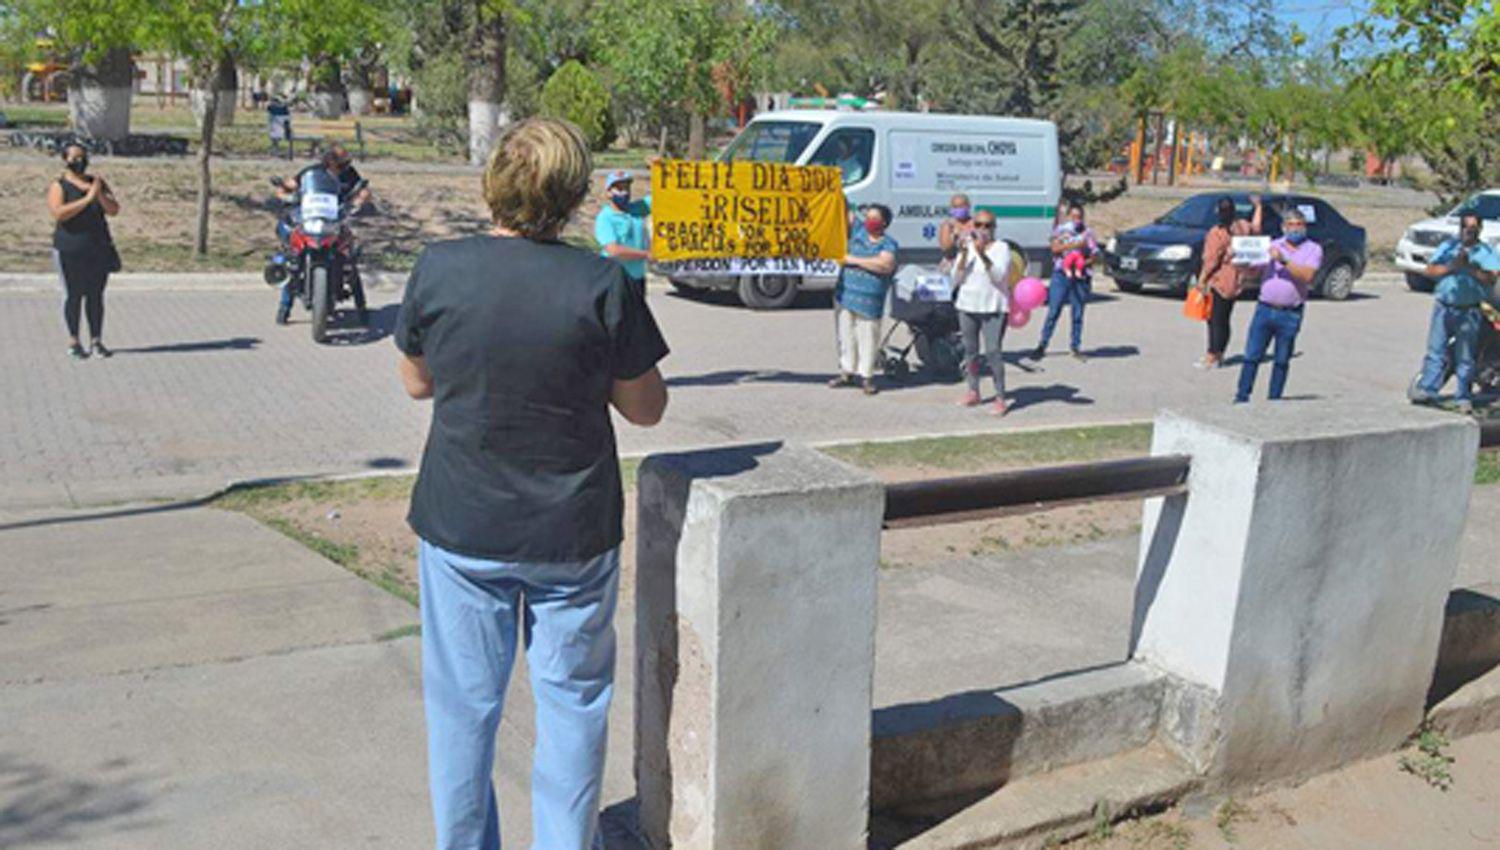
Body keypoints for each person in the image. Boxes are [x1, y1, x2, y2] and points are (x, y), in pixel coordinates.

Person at [393, 117, 669, 850]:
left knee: (461, 711)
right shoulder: (601, 282)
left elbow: (416, 383)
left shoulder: (440, 268)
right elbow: (647, 409)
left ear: (493, 186)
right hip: (571, 535)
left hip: (462, 526)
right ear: (575, 195)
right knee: (573, 706)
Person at [1408, 210, 1500, 414]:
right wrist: (1452, 266)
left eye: (1473, 228)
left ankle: (1462, 397)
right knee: (1436, 351)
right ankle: (1428, 390)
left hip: (1469, 311)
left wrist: (1471, 268)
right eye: (1465, 228)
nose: (1468, 232)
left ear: (1480, 229)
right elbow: (1430, 270)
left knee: (1465, 357)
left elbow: (1492, 278)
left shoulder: (1486, 252)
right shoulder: (1448, 247)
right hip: (1444, 306)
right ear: (1460, 229)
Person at [274, 144, 372, 325]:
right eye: (341, 162)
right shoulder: (311, 173)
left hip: (336, 220)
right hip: (311, 219)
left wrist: (359, 200)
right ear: (329, 161)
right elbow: (286, 187)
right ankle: (284, 307)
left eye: (345, 162)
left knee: (350, 259)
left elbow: (364, 191)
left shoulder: (350, 174)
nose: (344, 166)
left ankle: (362, 308)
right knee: (293, 259)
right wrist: (285, 195)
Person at [1233, 207, 1321, 403]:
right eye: (1291, 225)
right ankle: (1242, 397)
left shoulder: (1313, 249)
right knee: (1252, 356)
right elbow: (1254, 271)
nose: (1295, 229)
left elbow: (1307, 276)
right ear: (1283, 227)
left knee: (1281, 359)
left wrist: (1284, 260)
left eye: (1299, 225)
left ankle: (1274, 398)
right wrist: (1242, 261)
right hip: (1264, 309)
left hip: (1290, 313)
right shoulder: (1273, 245)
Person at [46, 142, 121, 360]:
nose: (80, 162)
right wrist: (86, 199)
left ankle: (96, 340)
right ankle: (74, 341)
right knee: (73, 295)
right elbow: (59, 213)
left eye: (83, 157)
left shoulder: (96, 183)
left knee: (95, 296)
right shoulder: (59, 186)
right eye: (75, 157)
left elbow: (114, 209)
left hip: (97, 249)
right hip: (70, 249)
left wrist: (98, 195)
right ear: (66, 160)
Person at [830, 203, 898, 395]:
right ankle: (847, 372)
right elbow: (844, 210)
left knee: (867, 336)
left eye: (874, 218)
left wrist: (853, 260)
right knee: (846, 335)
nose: (870, 221)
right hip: (845, 295)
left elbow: (885, 265)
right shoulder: (858, 232)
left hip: (869, 302)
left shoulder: (888, 244)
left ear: (884, 222)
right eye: (868, 217)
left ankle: (866, 376)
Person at [952, 209, 1013, 416]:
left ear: (994, 228)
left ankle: (1001, 397)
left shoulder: (1001, 248)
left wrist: (981, 253)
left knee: (993, 351)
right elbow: (956, 278)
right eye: (978, 225)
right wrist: (962, 255)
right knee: (970, 351)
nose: (982, 229)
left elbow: (998, 275)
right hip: (968, 305)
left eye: (987, 225)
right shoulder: (967, 247)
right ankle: (973, 390)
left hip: (993, 307)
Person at [1194, 195, 1263, 369]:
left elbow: (1211, 261)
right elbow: (1256, 228)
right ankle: (1221, 353)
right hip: (1236, 280)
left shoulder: (1217, 232)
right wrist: (1259, 207)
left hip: (1219, 280)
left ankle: (1211, 355)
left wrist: (1201, 280)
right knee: (1225, 319)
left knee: (1214, 319)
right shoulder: (1242, 227)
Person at [1033, 203, 1094, 361]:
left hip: (1080, 276)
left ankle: (1075, 346)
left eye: (1079, 217)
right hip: (1061, 275)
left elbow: (1094, 255)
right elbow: (1054, 249)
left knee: (1078, 313)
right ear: (1068, 217)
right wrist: (1073, 245)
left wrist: (1082, 263)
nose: (1076, 220)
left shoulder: (1088, 233)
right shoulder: (1060, 231)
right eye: (1073, 217)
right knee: (1054, 311)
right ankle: (1042, 344)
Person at [594, 169, 652, 294]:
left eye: (627, 188)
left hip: (638, 279)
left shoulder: (637, 208)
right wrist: (646, 254)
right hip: (616, 281)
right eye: (619, 189)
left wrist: (659, 169)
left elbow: (662, 197)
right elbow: (614, 250)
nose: (624, 192)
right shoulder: (605, 218)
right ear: (608, 193)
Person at [938, 193, 974, 270]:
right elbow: (945, 248)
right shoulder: (948, 225)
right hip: (952, 263)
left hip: (972, 262)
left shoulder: (976, 223)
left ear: (968, 206)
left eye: (961, 206)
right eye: (955, 207)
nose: (958, 209)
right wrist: (955, 236)